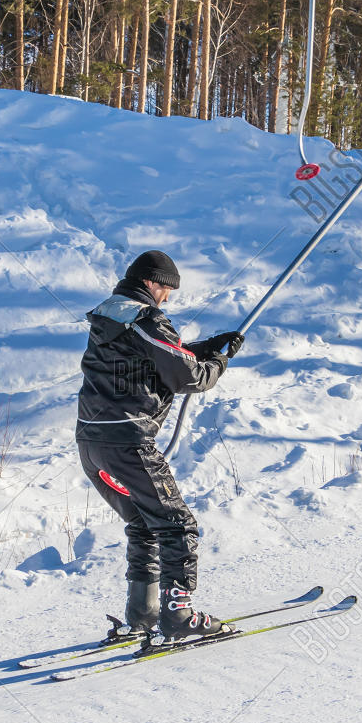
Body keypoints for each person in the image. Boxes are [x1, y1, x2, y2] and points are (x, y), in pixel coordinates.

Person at [76, 250, 244, 639]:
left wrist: (207, 346)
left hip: (91, 441)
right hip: (128, 440)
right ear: (153, 283)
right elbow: (188, 378)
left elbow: (151, 359)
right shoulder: (145, 316)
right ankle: (179, 617)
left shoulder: (108, 314)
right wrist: (218, 363)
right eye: (167, 289)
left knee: (143, 522)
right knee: (177, 525)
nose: (167, 298)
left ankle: (143, 615)